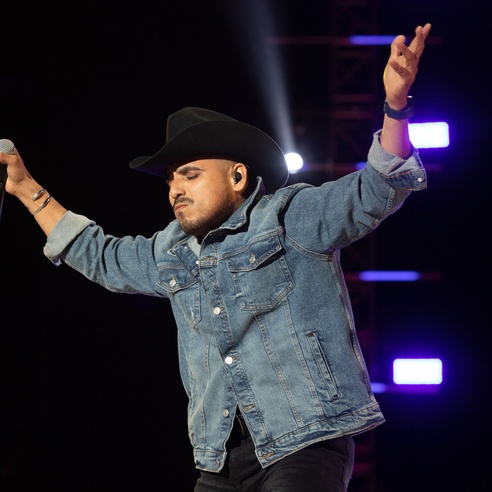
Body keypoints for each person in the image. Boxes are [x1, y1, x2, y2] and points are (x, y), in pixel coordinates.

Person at [2, 23, 431, 492]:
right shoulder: (171, 250)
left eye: (189, 175)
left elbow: (376, 188)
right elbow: (100, 256)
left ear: (237, 177)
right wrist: (25, 188)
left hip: (304, 441)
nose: (175, 189)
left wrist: (395, 107)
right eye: (170, 180)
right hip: (219, 459)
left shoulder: (289, 216)